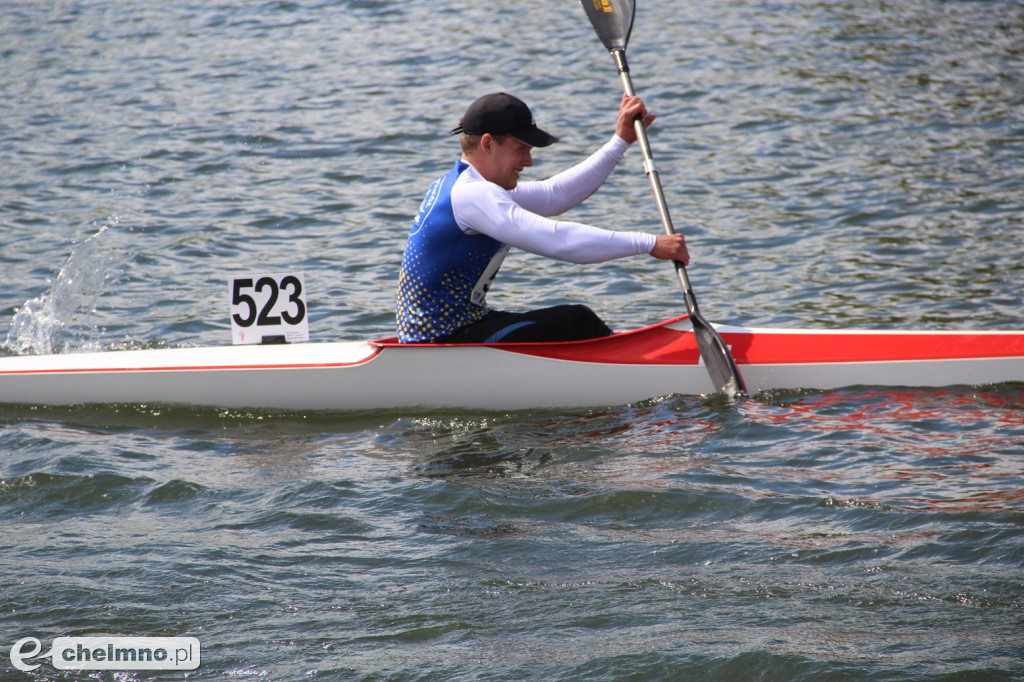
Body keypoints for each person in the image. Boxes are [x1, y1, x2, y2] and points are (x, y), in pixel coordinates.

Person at [396, 91, 690, 344]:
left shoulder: (463, 185)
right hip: (443, 340)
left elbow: (555, 194)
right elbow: (559, 241)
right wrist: (648, 243)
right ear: (487, 144)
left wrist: (620, 141)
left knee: (568, 322)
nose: (529, 161)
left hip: (452, 330)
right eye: (521, 149)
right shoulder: (473, 195)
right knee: (576, 321)